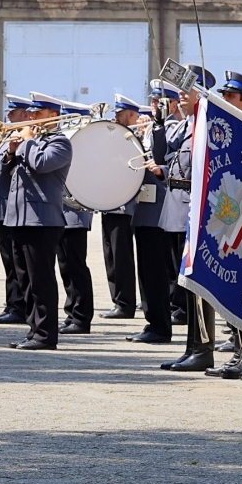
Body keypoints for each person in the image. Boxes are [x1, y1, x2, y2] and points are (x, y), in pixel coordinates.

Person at [0, 92, 74, 349]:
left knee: (41, 279)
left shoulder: (61, 143)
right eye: (30, 113)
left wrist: (27, 142)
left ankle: (45, 334)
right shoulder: (27, 142)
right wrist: (9, 152)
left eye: (37, 113)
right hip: (18, 217)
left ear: (53, 115)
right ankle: (33, 330)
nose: (31, 117)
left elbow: (42, 164)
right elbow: (4, 171)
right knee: (25, 280)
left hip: (42, 220)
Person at [205, 71, 242, 377]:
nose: (224, 101)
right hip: (230, 216)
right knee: (232, 285)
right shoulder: (225, 133)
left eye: (230, 97)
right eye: (224, 96)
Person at [160, 68, 220, 372]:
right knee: (184, 283)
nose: (180, 93)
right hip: (183, 209)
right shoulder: (190, 124)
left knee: (197, 283)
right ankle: (193, 346)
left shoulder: (208, 124)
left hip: (200, 213)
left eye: (186, 87)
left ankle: (203, 347)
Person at [128, 84, 176, 346]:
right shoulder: (150, 129)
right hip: (144, 206)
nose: (155, 105)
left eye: (161, 102)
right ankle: (152, 321)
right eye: (155, 101)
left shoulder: (170, 128)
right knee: (146, 270)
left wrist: (157, 127)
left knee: (157, 271)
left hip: (161, 208)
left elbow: (161, 157)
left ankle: (160, 325)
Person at [0, 94, 34, 326]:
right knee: (8, 262)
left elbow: (6, 167)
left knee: (18, 264)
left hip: (13, 208)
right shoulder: (8, 136)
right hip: (0, 208)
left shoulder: (28, 139)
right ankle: (12, 304)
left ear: (25, 116)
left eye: (13, 112)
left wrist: (15, 147)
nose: (7, 116)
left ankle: (19, 306)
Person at [100, 94, 142, 320]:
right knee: (111, 256)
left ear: (132, 115)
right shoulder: (116, 138)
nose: (115, 117)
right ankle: (118, 299)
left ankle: (125, 303)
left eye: (120, 113)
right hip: (109, 203)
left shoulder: (133, 139)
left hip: (125, 206)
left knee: (122, 256)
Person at [55, 100, 96, 335]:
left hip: (76, 211)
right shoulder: (68, 143)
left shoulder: (84, 146)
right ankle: (71, 312)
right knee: (65, 266)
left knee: (76, 265)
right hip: (61, 210)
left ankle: (81, 317)